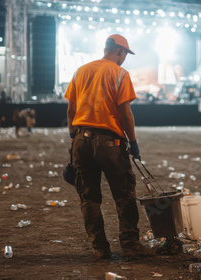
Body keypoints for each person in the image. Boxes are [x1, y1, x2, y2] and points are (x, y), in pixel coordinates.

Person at [64, 34, 154, 260]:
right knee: (124, 195)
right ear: (120, 52)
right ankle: (130, 247)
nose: (124, 59)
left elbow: (70, 111)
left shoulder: (80, 71)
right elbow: (126, 113)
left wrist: (74, 137)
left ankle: (100, 249)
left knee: (89, 198)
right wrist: (132, 142)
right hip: (109, 143)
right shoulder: (120, 73)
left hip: (81, 140)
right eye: (125, 54)